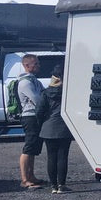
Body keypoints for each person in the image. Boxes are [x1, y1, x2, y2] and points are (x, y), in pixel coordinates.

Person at [36, 65, 75, 193]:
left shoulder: (46, 93)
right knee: (63, 156)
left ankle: (53, 186)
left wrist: (41, 123)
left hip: (48, 127)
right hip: (64, 127)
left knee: (51, 157)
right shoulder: (68, 92)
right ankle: (62, 185)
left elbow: (39, 111)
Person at [17, 54, 45, 189]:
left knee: (34, 148)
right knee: (28, 147)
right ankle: (24, 179)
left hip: (36, 116)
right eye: (36, 64)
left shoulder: (34, 80)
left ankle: (31, 176)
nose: (38, 66)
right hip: (30, 117)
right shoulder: (25, 82)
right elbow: (37, 99)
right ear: (27, 65)